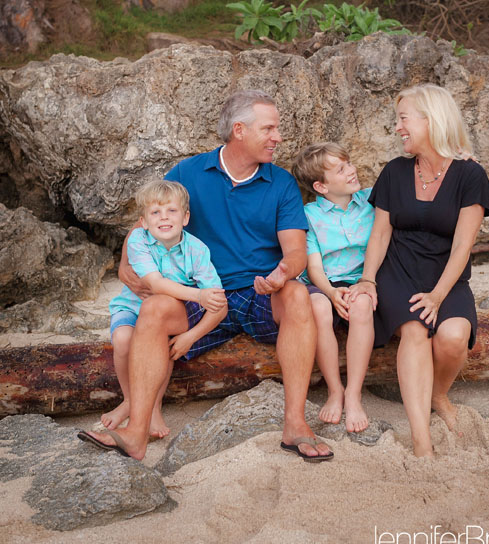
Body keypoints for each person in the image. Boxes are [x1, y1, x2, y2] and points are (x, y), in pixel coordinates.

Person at [78, 90, 333, 462]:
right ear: (239, 130)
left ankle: (295, 425)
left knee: (296, 294)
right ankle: (135, 433)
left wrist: (282, 274)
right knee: (154, 308)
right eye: (269, 128)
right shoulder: (188, 173)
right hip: (202, 292)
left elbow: (295, 252)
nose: (278, 137)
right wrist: (124, 264)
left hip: (260, 293)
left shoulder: (281, 183)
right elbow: (145, 223)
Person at [349, 83, 489, 458]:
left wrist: (438, 296)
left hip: (446, 275)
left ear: (432, 120)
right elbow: (380, 233)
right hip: (398, 269)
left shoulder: (470, 175)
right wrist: (368, 278)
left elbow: (462, 246)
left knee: (453, 337)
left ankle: (438, 395)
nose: (398, 127)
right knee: (414, 330)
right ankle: (421, 441)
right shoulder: (395, 172)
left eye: (403, 119)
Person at [94, 179, 226, 442]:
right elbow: (155, 284)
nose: (164, 217)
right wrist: (198, 295)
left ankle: (153, 408)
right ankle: (131, 401)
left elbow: (219, 306)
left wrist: (191, 336)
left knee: (161, 343)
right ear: (144, 222)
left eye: (171, 211)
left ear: (185, 218)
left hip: (164, 313)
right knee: (123, 339)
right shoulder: (138, 241)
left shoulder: (197, 250)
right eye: (155, 212)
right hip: (132, 306)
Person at [292, 143, 375, 433]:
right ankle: (334, 389)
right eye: (341, 169)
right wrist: (330, 292)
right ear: (321, 186)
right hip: (324, 282)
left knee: (362, 304)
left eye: (348, 163)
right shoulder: (309, 215)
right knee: (317, 308)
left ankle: (353, 393)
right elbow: (313, 266)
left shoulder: (371, 200)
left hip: (362, 279)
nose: (351, 170)